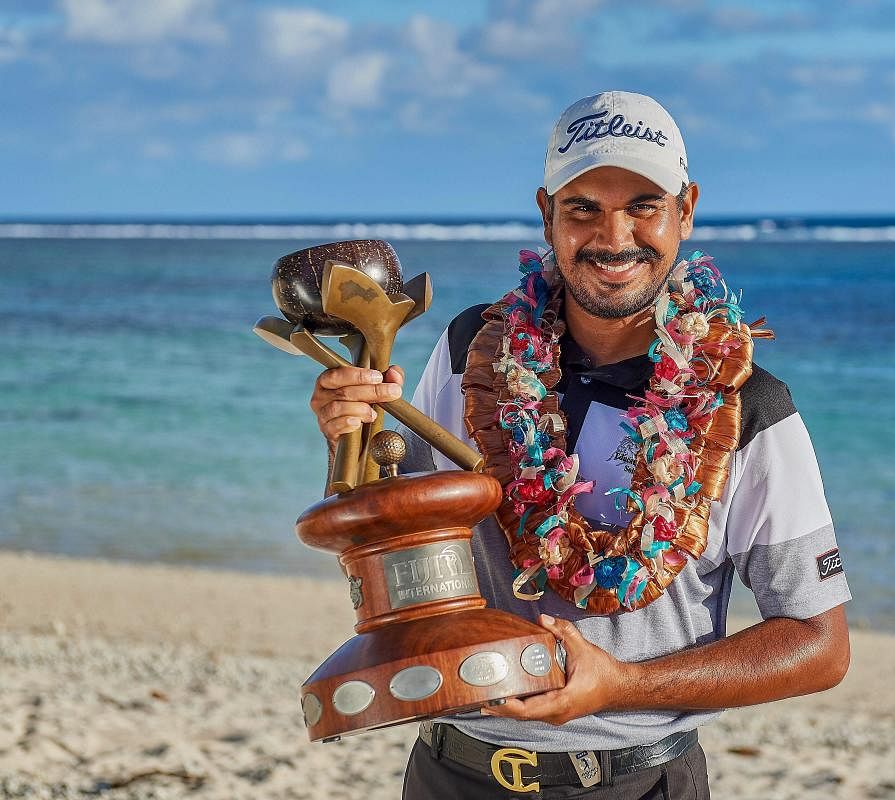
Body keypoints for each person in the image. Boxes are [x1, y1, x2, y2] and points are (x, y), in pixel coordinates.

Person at [309, 91, 851, 799]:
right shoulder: (475, 349)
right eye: (584, 207)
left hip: (638, 780)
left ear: (686, 210)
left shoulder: (747, 406)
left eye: (644, 205)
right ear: (547, 214)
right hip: (453, 771)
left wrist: (620, 686)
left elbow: (819, 644)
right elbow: (389, 536)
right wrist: (347, 438)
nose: (614, 235)